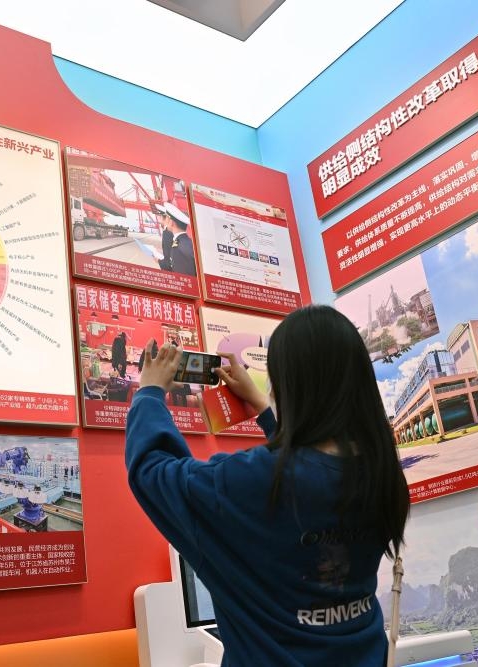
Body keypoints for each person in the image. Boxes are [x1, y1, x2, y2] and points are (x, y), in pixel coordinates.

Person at [125, 305, 409, 666]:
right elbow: (308, 475)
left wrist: (150, 393)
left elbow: (152, 472)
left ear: (288, 385)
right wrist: (264, 411)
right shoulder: (381, 474)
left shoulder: (250, 482)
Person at [157, 201, 196, 276]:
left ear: (171, 222)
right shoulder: (185, 241)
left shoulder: (179, 248)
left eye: (167, 218)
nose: (166, 221)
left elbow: (183, 278)